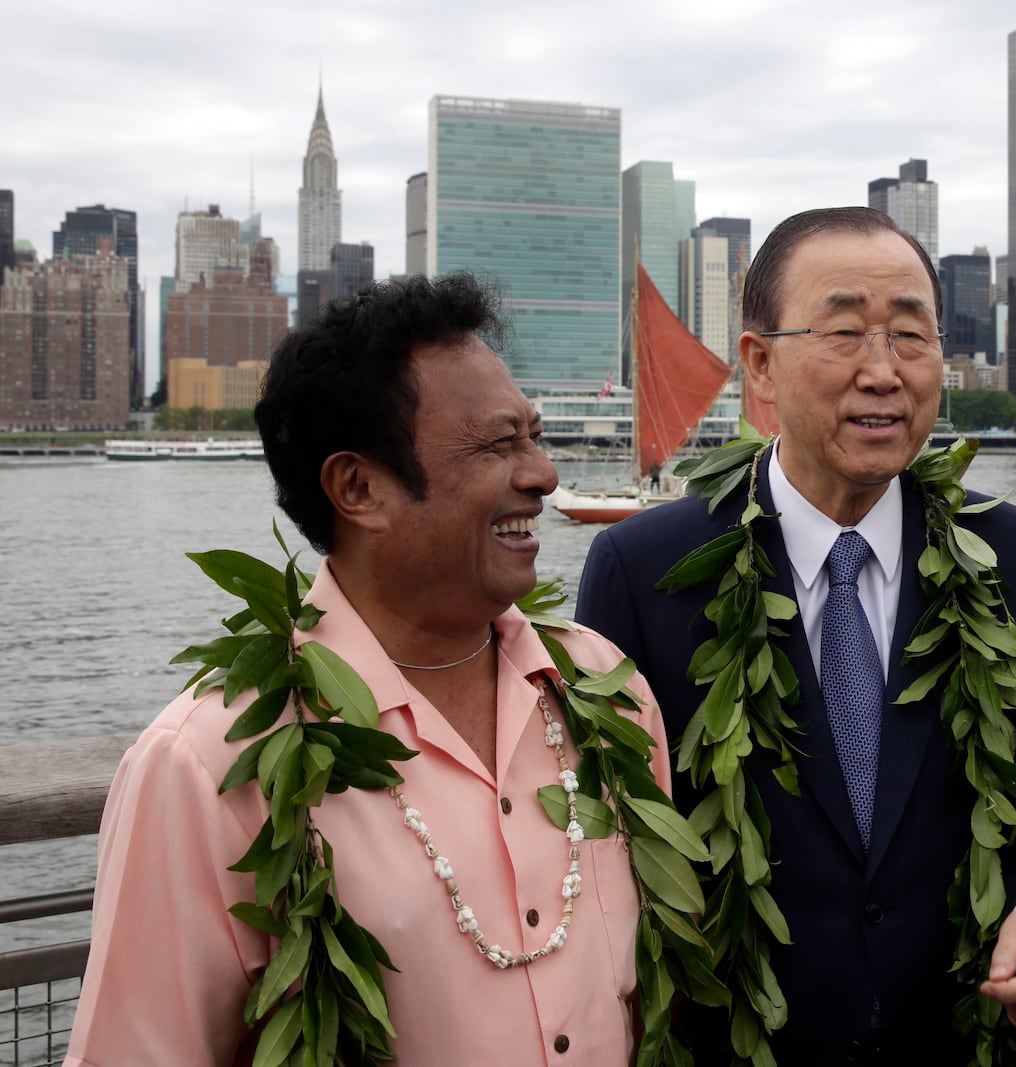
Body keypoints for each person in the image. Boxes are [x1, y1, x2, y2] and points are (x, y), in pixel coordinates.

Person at [66, 274, 671, 1065]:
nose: (543, 473)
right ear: (359, 488)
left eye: (535, 434)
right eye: (498, 444)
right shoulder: (207, 763)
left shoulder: (605, 690)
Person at [576, 207, 1016, 1063]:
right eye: (846, 332)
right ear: (760, 366)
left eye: (910, 336)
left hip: (958, 1037)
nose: (882, 372)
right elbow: (605, 837)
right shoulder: (646, 571)